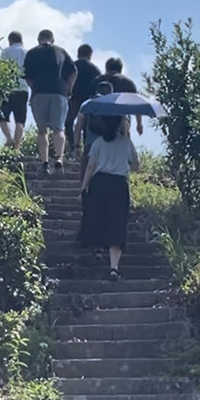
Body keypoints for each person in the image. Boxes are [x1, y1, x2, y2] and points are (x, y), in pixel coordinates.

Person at [79, 110, 141, 282]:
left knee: (97, 217)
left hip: (99, 183)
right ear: (121, 123)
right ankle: (114, 268)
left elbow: (90, 167)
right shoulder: (127, 143)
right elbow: (136, 166)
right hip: (119, 185)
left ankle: (97, 251)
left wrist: (84, 188)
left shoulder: (98, 143)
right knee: (117, 223)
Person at [22, 29, 77, 171]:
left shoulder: (32, 53)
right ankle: (59, 158)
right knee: (58, 128)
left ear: (38, 39)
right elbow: (73, 72)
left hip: (39, 92)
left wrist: (34, 88)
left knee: (42, 131)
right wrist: (68, 89)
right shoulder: (61, 51)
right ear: (52, 39)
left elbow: (27, 77)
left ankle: (44, 161)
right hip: (59, 92)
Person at [65, 43, 101, 157]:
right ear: (90, 55)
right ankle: (86, 149)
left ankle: (72, 146)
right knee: (86, 125)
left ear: (78, 53)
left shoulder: (73, 66)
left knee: (68, 122)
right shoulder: (95, 69)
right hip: (88, 99)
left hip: (74, 97)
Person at [0, 31, 29, 150]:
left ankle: (9, 139)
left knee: (3, 117)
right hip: (23, 88)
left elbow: (0, 68)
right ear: (21, 40)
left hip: (8, 88)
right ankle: (17, 147)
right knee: (20, 119)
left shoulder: (6, 51)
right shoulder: (27, 53)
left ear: (10, 41)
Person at [97, 56, 142, 137]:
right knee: (124, 121)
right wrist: (139, 124)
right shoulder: (128, 83)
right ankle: (124, 143)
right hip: (121, 119)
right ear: (120, 69)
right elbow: (137, 104)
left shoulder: (98, 80)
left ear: (107, 68)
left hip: (100, 118)